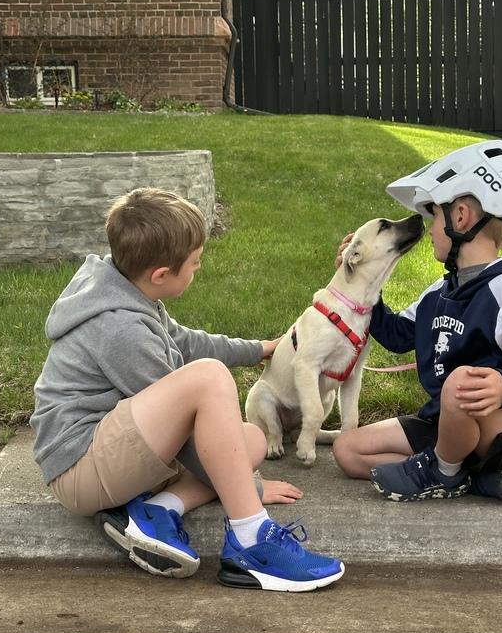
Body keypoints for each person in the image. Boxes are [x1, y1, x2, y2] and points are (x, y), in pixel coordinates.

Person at [31, 187, 344, 592]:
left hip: (113, 450)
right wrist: (251, 490)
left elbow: (186, 341)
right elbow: (187, 438)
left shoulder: (128, 289)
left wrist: (260, 350)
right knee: (210, 381)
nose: (198, 269)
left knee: (247, 440)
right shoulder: (120, 328)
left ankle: (157, 510)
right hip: (80, 466)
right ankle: (250, 543)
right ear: (161, 274)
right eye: (194, 263)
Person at [332, 139, 502, 504]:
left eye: (434, 216)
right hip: (447, 423)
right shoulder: (439, 291)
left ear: (460, 217)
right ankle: (466, 475)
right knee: (347, 450)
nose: (429, 229)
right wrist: (363, 283)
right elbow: (398, 336)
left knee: (461, 382)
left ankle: (442, 473)